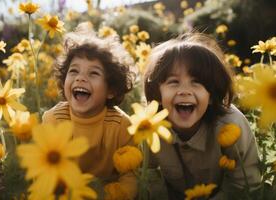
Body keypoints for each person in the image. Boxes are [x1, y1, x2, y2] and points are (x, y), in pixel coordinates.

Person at [143, 33, 261, 199]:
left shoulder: (232, 125)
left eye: (197, 82)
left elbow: (244, 185)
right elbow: (149, 177)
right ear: (157, 94)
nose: (184, 90)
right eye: (173, 82)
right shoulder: (149, 128)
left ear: (212, 95)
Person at [42, 22, 137, 199]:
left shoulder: (122, 126)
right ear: (64, 82)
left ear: (111, 90)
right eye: (74, 71)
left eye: (93, 73)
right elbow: (47, 169)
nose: (80, 78)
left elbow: (130, 174)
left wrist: (121, 195)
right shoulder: (53, 119)